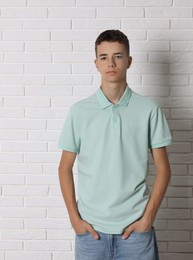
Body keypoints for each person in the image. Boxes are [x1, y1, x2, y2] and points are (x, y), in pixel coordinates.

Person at [58, 29, 172, 260]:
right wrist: (74, 220)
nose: (111, 63)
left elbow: (164, 169)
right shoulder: (79, 112)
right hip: (91, 232)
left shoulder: (149, 110)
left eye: (118, 56)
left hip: (136, 233)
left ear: (129, 61)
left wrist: (147, 219)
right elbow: (64, 167)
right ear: (96, 64)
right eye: (104, 57)